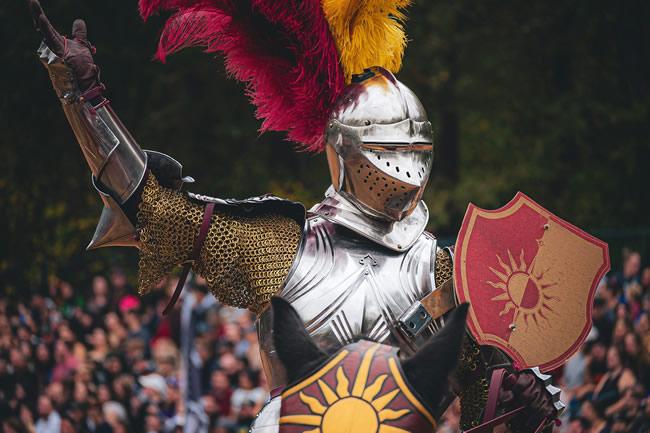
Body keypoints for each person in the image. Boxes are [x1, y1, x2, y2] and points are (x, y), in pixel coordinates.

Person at [25, 0, 561, 431]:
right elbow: (157, 213)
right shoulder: (287, 243)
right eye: (387, 151)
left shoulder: (448, 271)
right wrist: (82, 94)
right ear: (347, 152)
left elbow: (499, 407)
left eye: (412, 152)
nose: (402, 169)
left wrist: (524, 395)